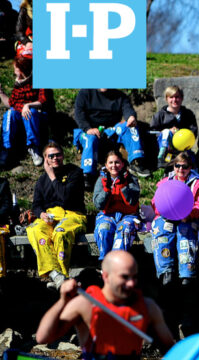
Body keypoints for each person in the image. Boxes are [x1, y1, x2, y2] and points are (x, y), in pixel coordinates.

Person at [36, 251, 175, 360]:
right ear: (106, 276)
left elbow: (171, 350)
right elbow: (43, 337)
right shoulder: (85, 304)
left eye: (134, 277)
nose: (132, 284)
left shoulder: (148, 307)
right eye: (125, 277)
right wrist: (63, 301)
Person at [27, 142, 86, 290]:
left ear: (63, 155)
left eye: (57, 154)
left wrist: (52, 176)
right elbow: (36, 204)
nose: (55, 158)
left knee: (60, 233)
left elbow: (65, 197)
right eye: (50, 156)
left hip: (72, 214)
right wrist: (41, 214)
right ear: (45, 158)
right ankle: (56, 274)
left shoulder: (75, 173)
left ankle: (63, 276)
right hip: (51, 216)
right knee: (34, 229)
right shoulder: (41, 180)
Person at [151, 152, 199, 286]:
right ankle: (166, 271)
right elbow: (156, 202)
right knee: (161, 230)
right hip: (167, 217)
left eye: (185, 166)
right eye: (177, 166)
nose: (181, 169)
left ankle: (187, 272)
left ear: (190, 167)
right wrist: (166, 213)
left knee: (186, 232)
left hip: (188, 218)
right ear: (173, 166)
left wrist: (188, 214)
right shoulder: (166, 182)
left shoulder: (198, 183)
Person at [73, 88, 148, 182]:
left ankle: (136, 161)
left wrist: (131, 117)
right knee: (90, 139)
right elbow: (79, 114)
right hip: (88, 130)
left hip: (111, 130)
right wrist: (88, 129)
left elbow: (128, 110)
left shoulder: (120, 95)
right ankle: (87, 174)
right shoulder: (85, 93)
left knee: (130, 126)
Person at [0, 55, 52, 168]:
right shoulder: (18, 84)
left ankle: (33, 147)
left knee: (30, 112)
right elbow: (12, 103)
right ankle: (7, 148)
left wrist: (27, 105)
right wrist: (1, 93)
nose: (14, 71)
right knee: (10, 113)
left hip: (38, 117)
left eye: (16, 68)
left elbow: (43, 101)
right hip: (22, 116)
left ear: (22, 70)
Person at [93, 151, 140, 261]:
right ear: (106, 165)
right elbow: (98, 204)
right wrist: (106, 190)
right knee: (104, 229)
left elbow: (133, 201)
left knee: (124, 230)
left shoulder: (131, 179)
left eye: (117, 162)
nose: (114, 165)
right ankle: (105, 262)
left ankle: (117, 263)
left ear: (122, 164)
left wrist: (123, 185)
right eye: (111, 163)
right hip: (107, 214)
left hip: (128, 215)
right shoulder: (101, 180)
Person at [150, 85, 198, 170]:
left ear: (182, 98)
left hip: (183, 147)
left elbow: (193, 131)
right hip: (167, 148)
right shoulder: (160, 115)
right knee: (166, 132)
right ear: (166, 99)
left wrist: (180, 133)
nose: (174, 100)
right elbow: (152, 132)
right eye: (171, 97)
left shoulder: (188, 114)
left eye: (177, 97)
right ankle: (162, 158)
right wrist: (167, 132)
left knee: (192, 163)